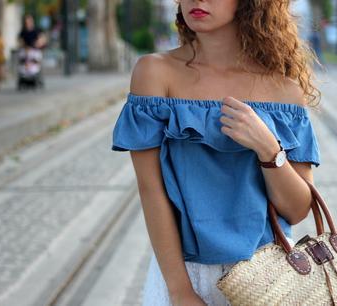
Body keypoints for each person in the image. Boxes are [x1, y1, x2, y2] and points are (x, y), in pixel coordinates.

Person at [111, 1, 321, 305]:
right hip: (184, 275)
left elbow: (298, 209)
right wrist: (180, 290)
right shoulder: (155, 73)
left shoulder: (284, 90)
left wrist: (268, 148)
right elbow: (151, 190)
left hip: (270, 278)